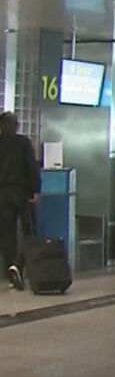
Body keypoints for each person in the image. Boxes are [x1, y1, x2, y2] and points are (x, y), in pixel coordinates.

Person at [0, 112, 40, 290]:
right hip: (21, 193)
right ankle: (19, 266)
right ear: (16, 126)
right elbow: (32, 167)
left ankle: (10, 272)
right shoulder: (23, 143)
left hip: (2, 193)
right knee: (28, 232)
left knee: (7, 234)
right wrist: (36, 190)